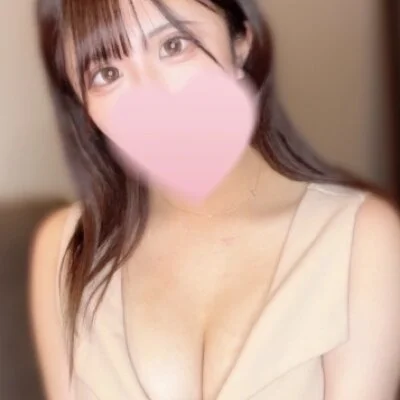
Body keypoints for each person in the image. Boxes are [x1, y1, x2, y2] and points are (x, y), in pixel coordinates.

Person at [29, 0, 400, 399]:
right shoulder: (65, 249)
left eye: (173, 45)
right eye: (107, 74)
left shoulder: (362, 239)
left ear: (240, 44)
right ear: (81, 103)